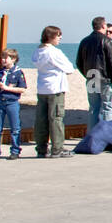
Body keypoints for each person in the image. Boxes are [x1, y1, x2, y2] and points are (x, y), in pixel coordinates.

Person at [32, 25, 76, 159]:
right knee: (56, 118)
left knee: (42, 119)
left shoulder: (37, 52)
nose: (60, 38)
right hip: (56, 89)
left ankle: (41, 148)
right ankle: (57, 148)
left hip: (42, 88)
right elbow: (69, 68)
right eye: (58, 35)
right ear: (50, 37)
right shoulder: (53, 52)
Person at [76, 16, 112, 126]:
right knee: (108, 108)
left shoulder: (84, 41)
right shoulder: (107, 41)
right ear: (103, 26)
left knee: (93, 108)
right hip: (105, 79)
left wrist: (87, 74)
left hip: (91, 77)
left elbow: (79, 62)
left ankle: (92, 136)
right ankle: (105, 137)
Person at [0, 48, 26, 160]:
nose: (3, 60)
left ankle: (15, 150)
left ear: (13, 59)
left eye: (6, 58)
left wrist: (7, 88)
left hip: (12, 102)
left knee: (15, 128)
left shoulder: (18, 72)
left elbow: (22, 89)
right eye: (2, 58)